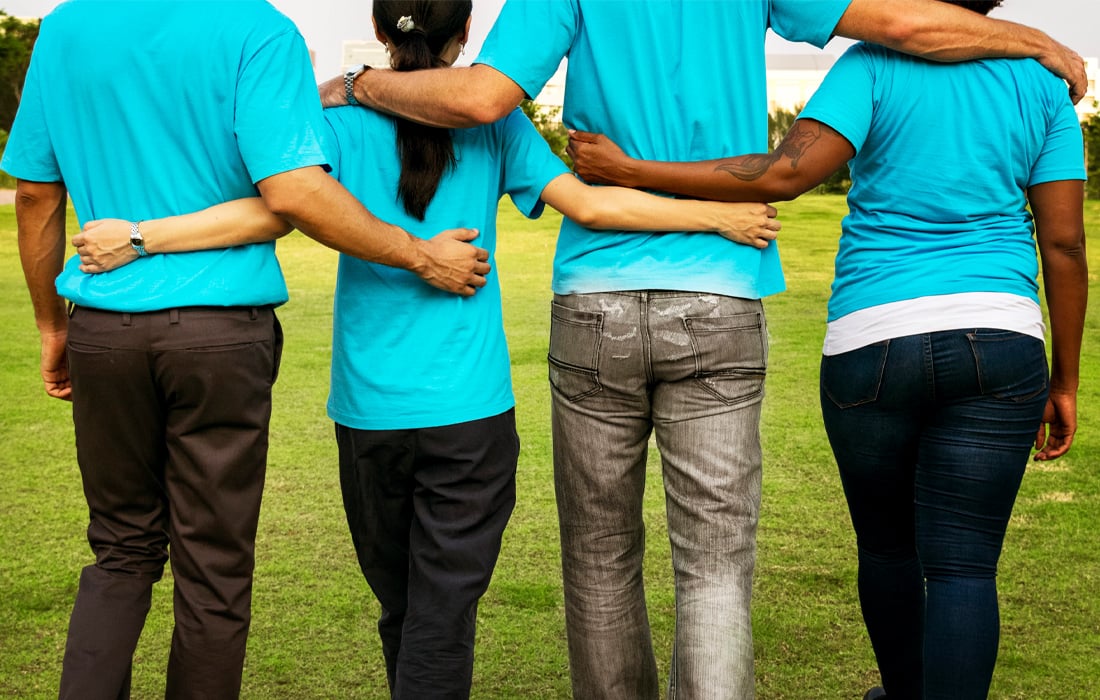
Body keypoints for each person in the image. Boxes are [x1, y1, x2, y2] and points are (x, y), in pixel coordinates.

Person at [322, 1, 1087, 698]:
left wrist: (359, 83)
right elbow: (912, 30)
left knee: (599, 557)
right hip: (721, 293)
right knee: (715, 568)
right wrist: (1036, 40)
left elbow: (482, 96)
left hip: (596, 297)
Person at [69, 2, 780, 697]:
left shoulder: (338, 124)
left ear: (379, 28)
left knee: (404, 609)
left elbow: (278, 205)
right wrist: (715, 214)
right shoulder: (498, 127)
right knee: (439, 617)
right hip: (469, 415)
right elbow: (593, 205)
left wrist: (142, 236)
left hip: (369, 414)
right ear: (466, 31)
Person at [566, 0, 1087, 697]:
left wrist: (635, 170)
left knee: (888, 547)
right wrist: (1066, 380)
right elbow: (1063, 243)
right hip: (999, 337)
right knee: (965, 568)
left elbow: (783, 173)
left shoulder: (871, 65)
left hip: (873, 340)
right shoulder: (1042, 84)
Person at [0, 0, 492, 697]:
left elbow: (36, 196)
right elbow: (293, 193)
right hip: (220, 336)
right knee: (213, 567)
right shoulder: (259, 31)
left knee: (119, 552)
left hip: (103, 330)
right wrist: (419, 255)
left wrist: (53, 326)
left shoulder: (67, 27)